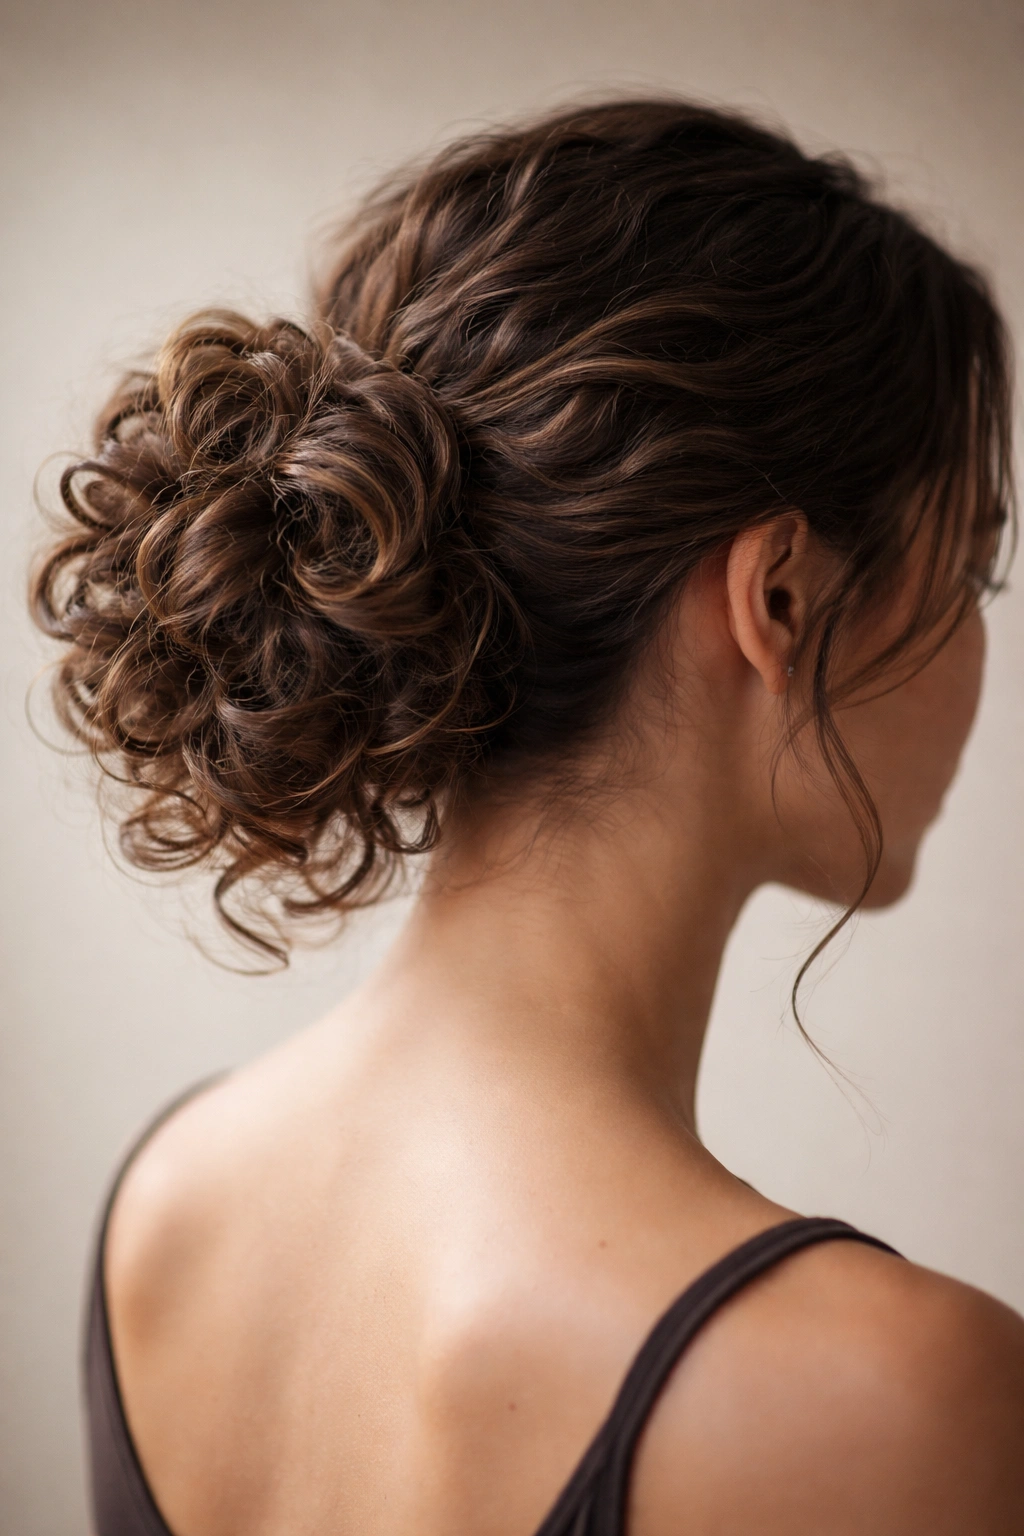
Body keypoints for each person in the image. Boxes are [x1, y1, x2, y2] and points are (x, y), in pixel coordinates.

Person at [32, 99, 1024, 1535]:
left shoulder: (166, 1206)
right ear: (781, 598)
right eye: (976, 567)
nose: (983, 641)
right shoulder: (896, 1398)